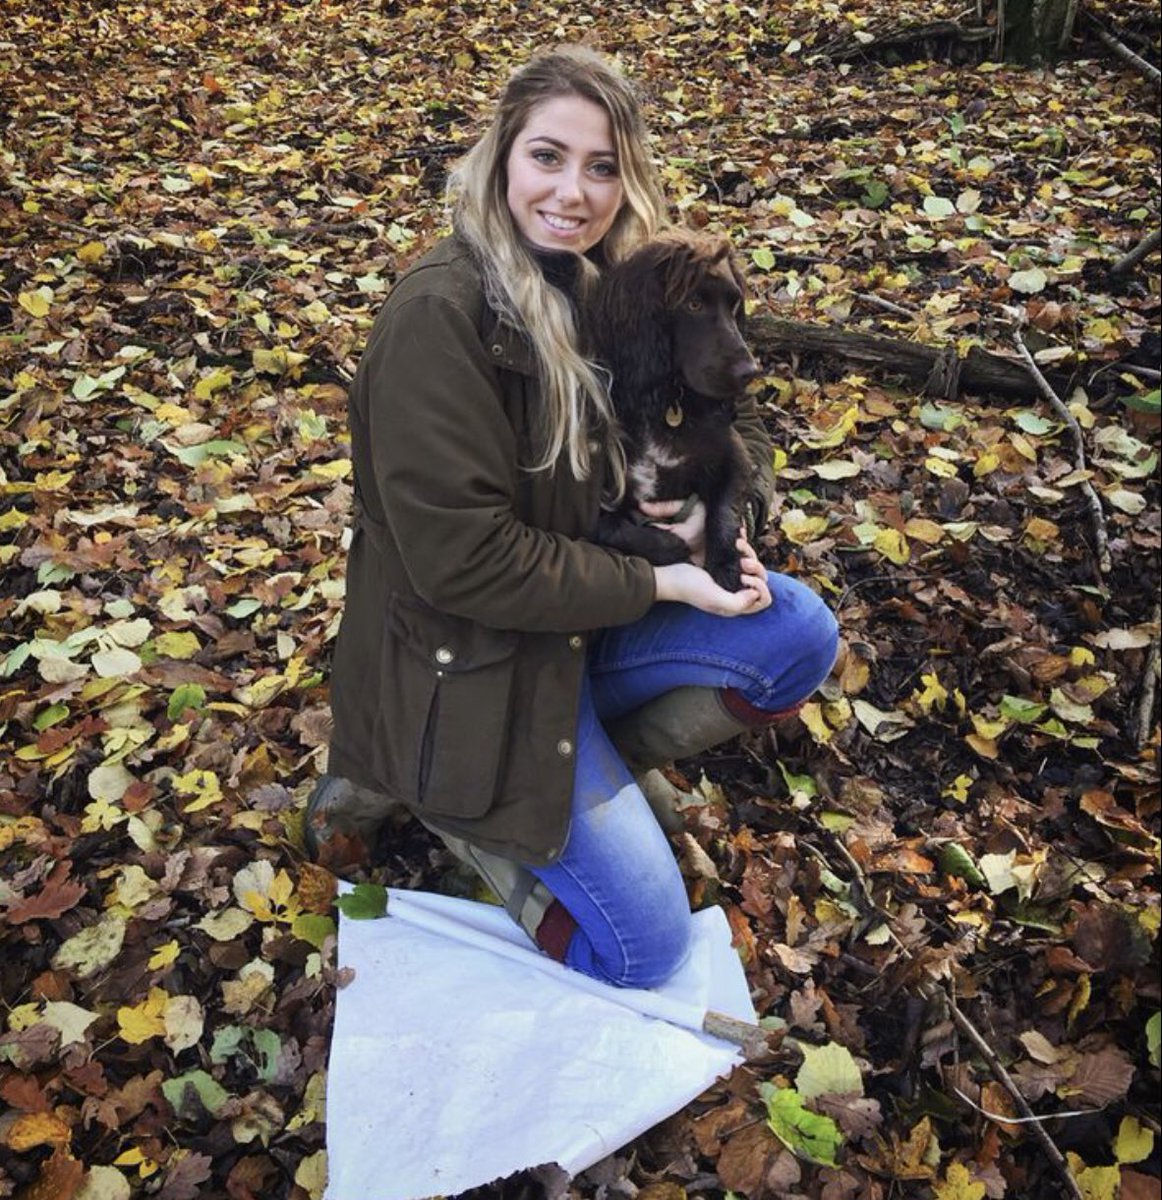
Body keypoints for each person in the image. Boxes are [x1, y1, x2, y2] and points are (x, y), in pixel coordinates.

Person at [307, 46, 838, 989]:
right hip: (465, 669)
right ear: (501, 155)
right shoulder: (442, 318)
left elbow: (724, 413)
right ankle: (461, 812)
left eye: (602, 167)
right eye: (548, 156)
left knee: (796, 631)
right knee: (643, 952)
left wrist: (723, 520)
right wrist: (663, 578)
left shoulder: (611, 285)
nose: (574, 192)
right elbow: (464, 561)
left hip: (576, 634)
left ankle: (594, 763)